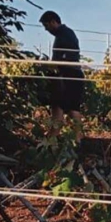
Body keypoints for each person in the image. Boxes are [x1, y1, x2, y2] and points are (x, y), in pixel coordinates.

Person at [39, 11, 85, 140]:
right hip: (73, 74)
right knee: (72, 108)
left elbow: (64, 59)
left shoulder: (65, 35)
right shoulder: (65, 34)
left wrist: (51, 67)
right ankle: (77, 140)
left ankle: (53, 138)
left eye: (46, 25)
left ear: (54, 22)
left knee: (58, 105)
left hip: (67, 75)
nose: (46, 29)